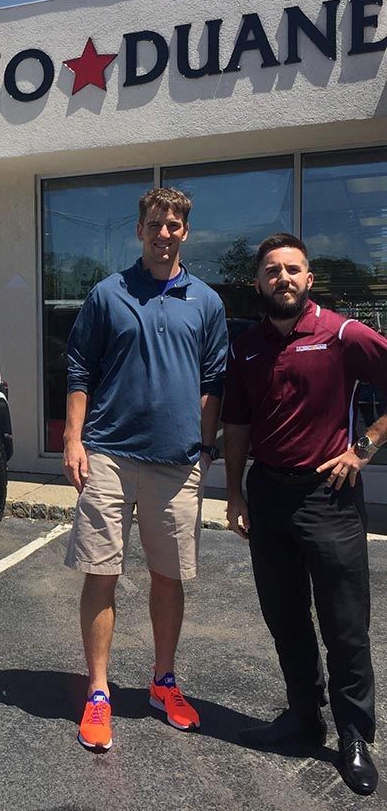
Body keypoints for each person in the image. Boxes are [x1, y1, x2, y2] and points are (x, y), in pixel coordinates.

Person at [63, 187, 228, 752]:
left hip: (177, 463)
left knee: (168, 576)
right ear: (140, 230)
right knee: (102, 572)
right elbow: (80, 367)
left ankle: (163, 683)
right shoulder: (108, 295)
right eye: (155, 223)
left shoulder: (205, 302)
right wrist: (72, 438)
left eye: (174, 225)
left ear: (186, 232)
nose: (164, 233)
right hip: (108, 453)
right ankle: (99, 692)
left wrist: (205, 451)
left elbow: (213, 384)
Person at [223, 232, 387, 796]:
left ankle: (355, 737)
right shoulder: (245, 347)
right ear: (258, 283)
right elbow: (237, 425)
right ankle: (303, 717)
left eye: (293, 269)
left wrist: (364, 446)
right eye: (272, 271)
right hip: (267, 496)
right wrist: (236, 493)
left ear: (308, 279)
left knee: (345, 626)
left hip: (329, 498)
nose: (283, 279)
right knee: (286, 619)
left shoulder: (343, 334)